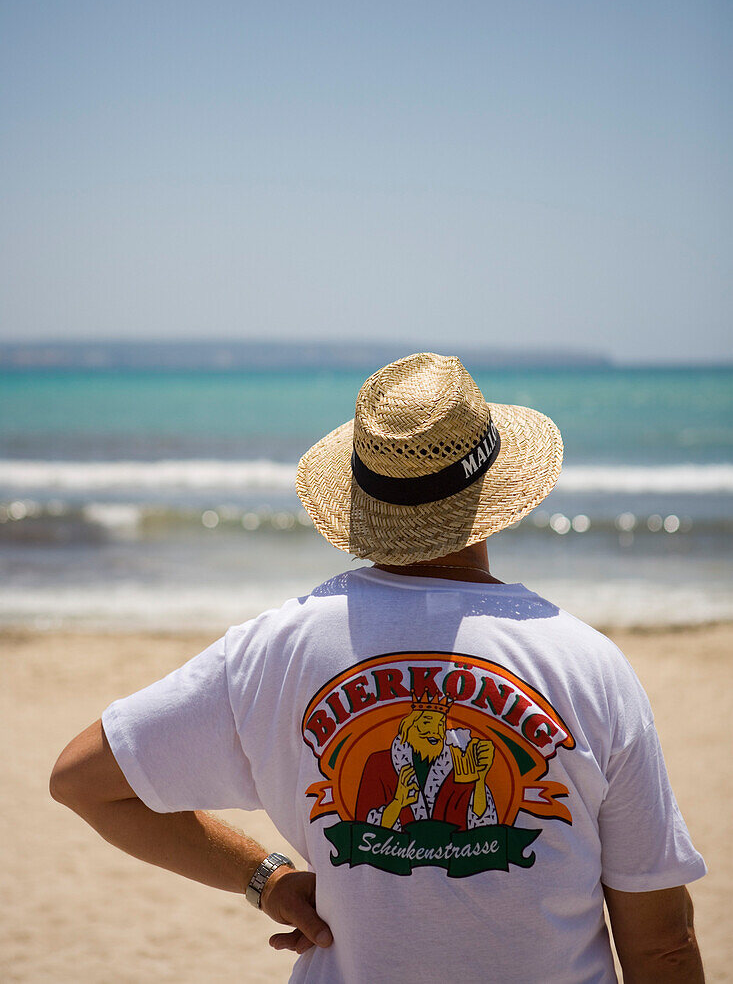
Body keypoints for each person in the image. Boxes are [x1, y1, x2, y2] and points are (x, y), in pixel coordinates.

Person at [50, 352, 706, 983]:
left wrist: (266, 879)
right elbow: (663, 945)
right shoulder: (587, 665)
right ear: (489, 483)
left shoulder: (269, 650)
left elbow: (82, 779)